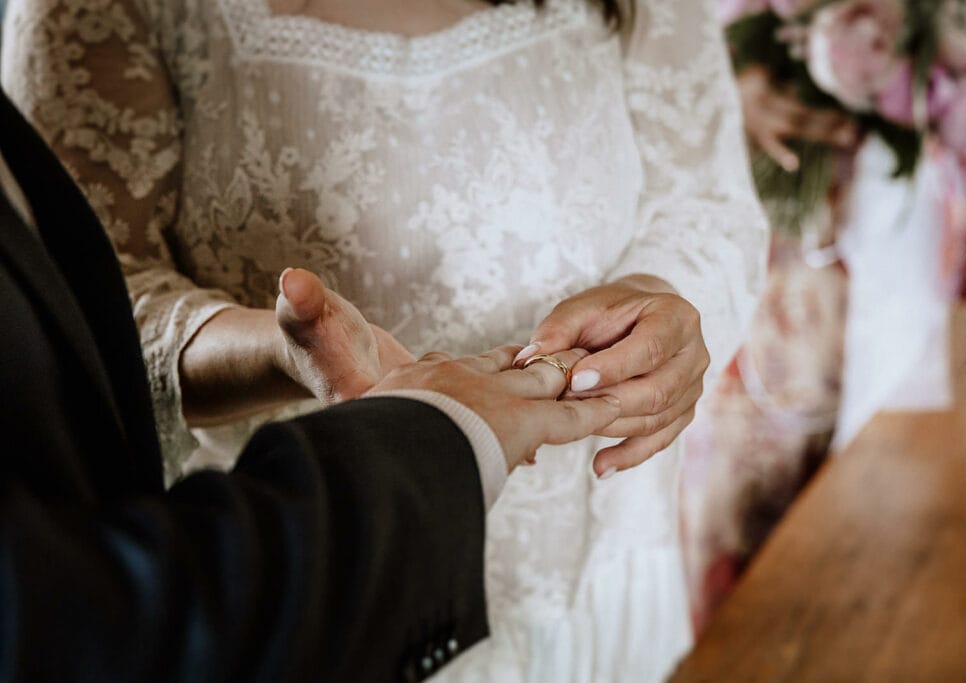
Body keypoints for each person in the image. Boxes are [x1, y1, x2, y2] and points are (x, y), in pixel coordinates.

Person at [2, 0, 768, 679]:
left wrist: (663, 302)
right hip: (321, 576)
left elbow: (708, 205)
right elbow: (85, 312)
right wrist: (280, 351)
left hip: (589, 571)